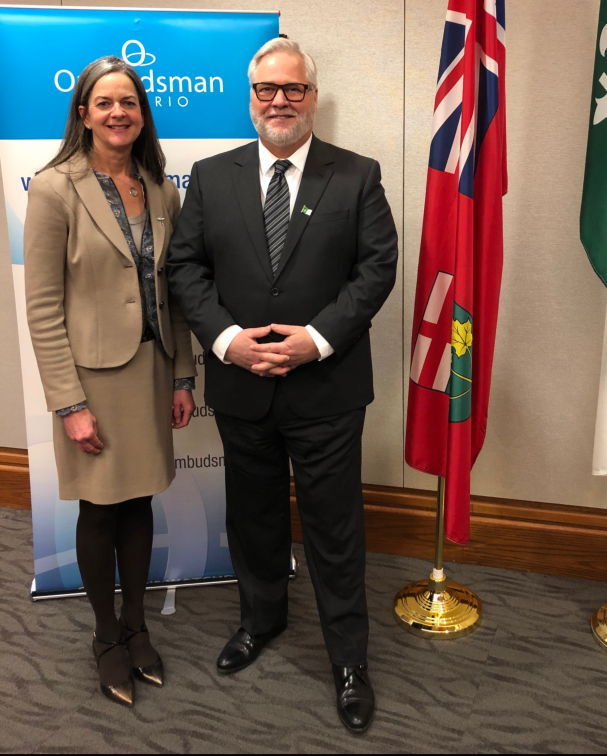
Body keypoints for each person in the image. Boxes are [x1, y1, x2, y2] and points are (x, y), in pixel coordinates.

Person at [167, 37, 398, 733]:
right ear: (250, 97)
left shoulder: (355, 176)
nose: (279, 101)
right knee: (255, 518)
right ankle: (260, 621)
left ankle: (348, 659)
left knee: (334, 529)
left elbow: (375, 269)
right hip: (242, 387)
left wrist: (317, 339)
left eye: (292, 89)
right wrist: (229, 341)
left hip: (325, 389)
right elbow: (186, 270)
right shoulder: (210, 177)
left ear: (312, 96)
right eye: (266, 89)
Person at [24, 56, 196, 708]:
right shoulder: (53, 188)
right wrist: (68, 402)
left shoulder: (159, 188)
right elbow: (42, 306)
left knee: (141, 501)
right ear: (83, 113)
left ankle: (137, 625)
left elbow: (174, 292)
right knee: (100, 508)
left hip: (151, 373)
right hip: (93, 381)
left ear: (142, 113)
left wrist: (183, 376)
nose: (118, 112)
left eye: (129, 102)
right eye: (105, 103)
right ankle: (104, 637)